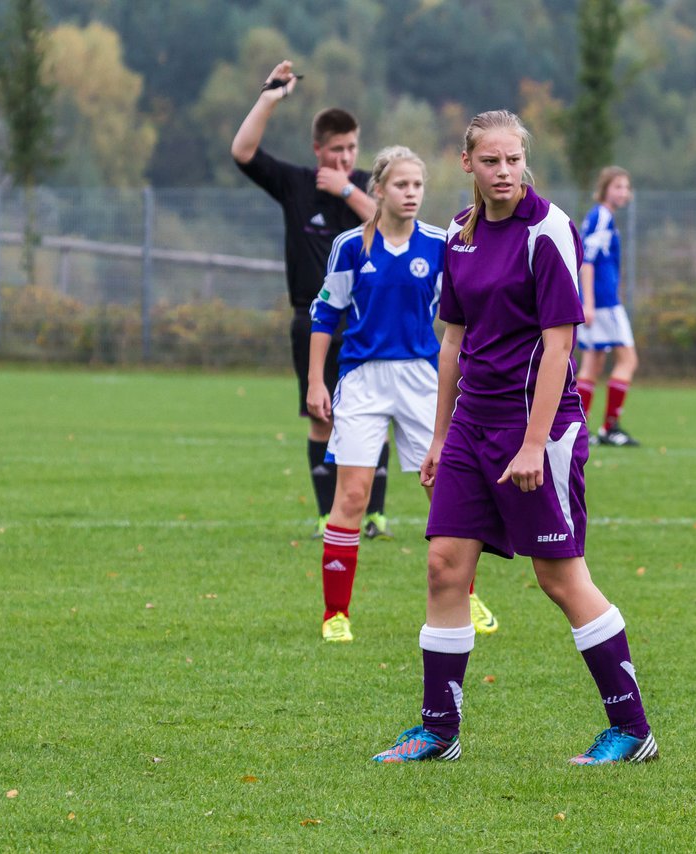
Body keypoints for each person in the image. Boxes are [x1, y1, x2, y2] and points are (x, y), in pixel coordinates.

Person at [371, 110, 657, 766]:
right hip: (472, 427)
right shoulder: (462, 235)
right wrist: (441, 438)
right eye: (490, 161)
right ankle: (438, 731)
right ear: (467, 163)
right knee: (444, 567)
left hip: (538, 431)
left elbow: (561, 349)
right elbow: (453, 343)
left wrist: (533, 443)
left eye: (513, 161)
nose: (503, 173)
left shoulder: (550, 230)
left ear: (525, 162)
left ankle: (634, 728)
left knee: (559, 577)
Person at [307, 146, 497, 642]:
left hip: (421, 380)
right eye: (401, 185)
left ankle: (467, 595)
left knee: (446, 493)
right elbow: (325, 314)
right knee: (352, 495)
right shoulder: (351, 246)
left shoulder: (439, 244)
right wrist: (314, 381)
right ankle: (335, 614)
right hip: (364, 379)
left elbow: (463, 313)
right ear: (379, 189)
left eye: (417, 185)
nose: (411, 194)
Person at [231, 61, 392, 541]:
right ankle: (327, 514)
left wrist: (346, 189)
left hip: (368, 321)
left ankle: (374, 516)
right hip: (312, 321)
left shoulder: (364, 185)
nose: (345, 158)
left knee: (370, 417)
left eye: (352, 149)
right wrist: (270, 97)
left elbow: (392, 224)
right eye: (337, 150)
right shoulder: (296, 184)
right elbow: (243, 152)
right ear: (318, 149)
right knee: (321, 416)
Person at [575, 166, 640, 447]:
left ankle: (579, 428)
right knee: (628, 360)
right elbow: (586, 261)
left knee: (592, 363)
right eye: (617, 186)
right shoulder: (601, 215)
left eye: (626, 187)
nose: (623, 192)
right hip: (603, 303)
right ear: (604, 189)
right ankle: (610, 427)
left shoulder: (601, 217)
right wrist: (588, 303)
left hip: (598, 300)